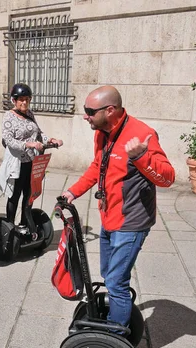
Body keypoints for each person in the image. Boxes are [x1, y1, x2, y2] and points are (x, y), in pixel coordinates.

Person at [61, 85, 175, 330]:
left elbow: (167, 178)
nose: (85, 116)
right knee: (107, 271)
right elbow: (97, 166)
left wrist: (141, 157)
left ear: (110, 110)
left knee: (115, 281)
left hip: (131, 222)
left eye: (90, 111)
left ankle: (115, 335)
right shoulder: (102, 132)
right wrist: (73, 191)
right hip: (109, 216)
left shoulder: (142, 134)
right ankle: (116, 316)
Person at [0, 83, 63, 231]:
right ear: (14, 100)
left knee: (29, 194)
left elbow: (39, 133)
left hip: (31, 162)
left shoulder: (30, 114)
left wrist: (50, 140)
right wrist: (29, 145)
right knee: (15, 195)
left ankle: (24, 223)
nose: (24, 102)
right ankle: (10, 227)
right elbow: (8, 140)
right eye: (21, 99)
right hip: (17, 163)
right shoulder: (9, 117)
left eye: (27, 99)